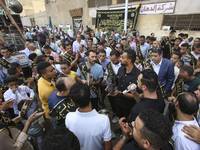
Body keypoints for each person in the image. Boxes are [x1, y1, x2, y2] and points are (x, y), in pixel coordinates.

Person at [65, 82, 112, 150]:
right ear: (91, 95)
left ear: (72, 101)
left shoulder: (69, 117)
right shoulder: (103, 120)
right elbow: (108, 147)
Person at [110, 50, 140, 119]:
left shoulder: (138, 75)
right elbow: (116, 82)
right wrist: (110, 85)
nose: (120, 59)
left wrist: (121, 93)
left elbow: (137, 96)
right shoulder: (121, 69)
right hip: (118, 103)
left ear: (129, 60)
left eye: (123, 58)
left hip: (129, 106)